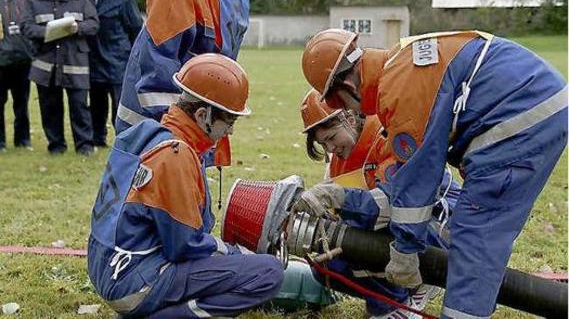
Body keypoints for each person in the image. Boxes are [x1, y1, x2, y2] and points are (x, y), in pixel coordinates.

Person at [300, 28, 568, 318]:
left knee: (476, 236)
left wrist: (405, 250)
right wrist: (337, 195)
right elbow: (401, 188)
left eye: (337, 102)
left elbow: (418, 180)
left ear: (348, 82)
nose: (346, 108)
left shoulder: (399, 89)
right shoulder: (399, 70)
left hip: (520, 117)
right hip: (532, 107)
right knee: (478, 234)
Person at [88, 53, 284, 317]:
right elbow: (185, 245)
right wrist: (239, 254)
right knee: (268, 272)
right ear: (204, 115)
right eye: (229, 121)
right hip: (134, 281)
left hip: (108, 268)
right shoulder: (175, 155)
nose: (231, 131)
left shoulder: (147, 133)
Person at [115, 0, 282, 167]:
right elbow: (158, 73)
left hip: (197, 116)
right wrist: (175, 139)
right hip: (156, 121)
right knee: (151, 197)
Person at [297, 89, 460, 318]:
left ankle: (418, 287)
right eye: (323, 144)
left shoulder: (389, 136)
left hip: (442, 227)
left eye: (332, 138)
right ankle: (393, 302)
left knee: (368, 233)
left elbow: (394, 205)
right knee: (328, 264)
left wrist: (335, 196)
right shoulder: (339, 161)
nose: (330, 150)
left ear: (350, 118)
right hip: (399, 229)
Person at [22, 0, 99, 155]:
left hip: (75, 64)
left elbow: (94, 24)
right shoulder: (34, 1)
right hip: (46, 64)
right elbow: (26, 27)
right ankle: (56, 146)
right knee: (50, 108)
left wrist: (77, 28)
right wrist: (48, 31)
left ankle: (85, 146)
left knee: (80, 107)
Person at [83, 0, 143, 147]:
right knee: (96, 104)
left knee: (119, 106)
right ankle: (97, 139)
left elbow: (136, 30)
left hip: (117, 61)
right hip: (93, 59)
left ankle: (123, 140)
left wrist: (135, 60)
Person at [0, 0, 34, 152]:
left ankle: (23, 140)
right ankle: (0, 142)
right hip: (1, 61)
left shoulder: (27, 0)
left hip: (23, 61)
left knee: (22, 104)